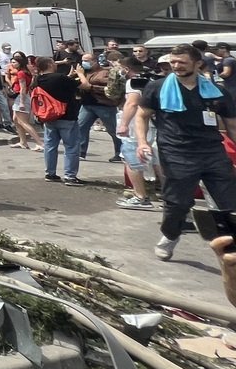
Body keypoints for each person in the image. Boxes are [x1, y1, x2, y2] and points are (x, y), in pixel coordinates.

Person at [134, 44, 236, 263]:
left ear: (198, 63)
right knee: (178, 203)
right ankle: (170, 235)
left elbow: (232, 125)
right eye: (173, 62)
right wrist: (142, 142)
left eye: (182, 62)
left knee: (230, 202)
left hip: (212, 152)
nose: (176, 66)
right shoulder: (158, 87)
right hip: (176, 152)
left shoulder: (217, 91)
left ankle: (231, 248)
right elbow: (142, 115)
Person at [114, 56, 158, 211]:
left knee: (132, 159)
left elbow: (132, 103)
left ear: (126, 69)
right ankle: (170, 198)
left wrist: (124, 124)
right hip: (152, 125)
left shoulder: (133, 82)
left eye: (119, 66)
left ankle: (140, 196)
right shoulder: (152, 78)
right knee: (156, 161)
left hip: (136, 126)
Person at [32, 56, 83, 184]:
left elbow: (58, 85)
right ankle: (70, 176)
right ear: (49, 64)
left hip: (48, 116)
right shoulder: (60, 77)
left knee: (50, 146)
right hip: (67, 116)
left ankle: (50, 173)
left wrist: (69, 76)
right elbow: (85, 85)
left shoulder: (37, 79)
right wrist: (81, 74)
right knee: (71, 147)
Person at [76, 53, 125, 163]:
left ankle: (120, 153)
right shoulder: (85, 72)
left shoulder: (105, 72)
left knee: (113, 130)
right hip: (87, 104)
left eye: (87, 60)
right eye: (83, 60)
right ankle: (80, 152)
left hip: (104, 105)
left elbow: (110, 88)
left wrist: (91, 87)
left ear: (94, 61)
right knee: (80, 127)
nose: (84, 63)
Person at [6, 52, 42, 151]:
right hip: (22, 96)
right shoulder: (26, 72)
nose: (12, 64)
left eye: (14, 62)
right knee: (16, 120)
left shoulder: (21, 73)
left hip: (21, 97)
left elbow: (23, 88)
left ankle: (39, 142)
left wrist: (21, 102)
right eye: (12, 62)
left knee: (23, 122)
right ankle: (23, 141)